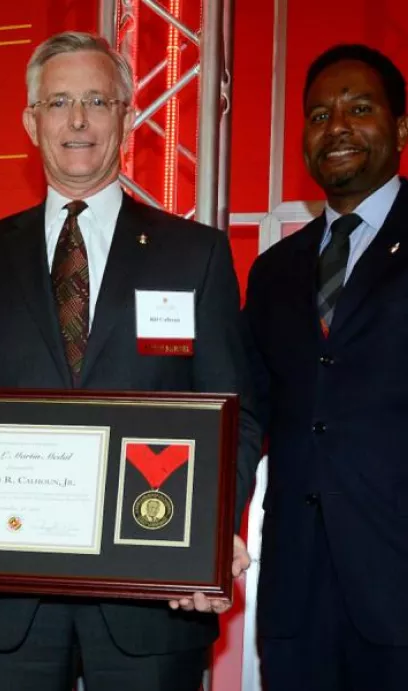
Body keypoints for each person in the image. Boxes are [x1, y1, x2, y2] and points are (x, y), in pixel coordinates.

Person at [0, 31, 261, 690]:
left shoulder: (194, 254)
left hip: (153, 600)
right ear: (31, 121)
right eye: (58, 103)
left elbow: (237, 414)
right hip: (8, 607)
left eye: (96, 102)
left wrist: (211, 534)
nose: (77, 121)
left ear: (127, 115)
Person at [244, 44, 408, 691]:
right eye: (318, 115)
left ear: (400, 128)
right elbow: (248, 412)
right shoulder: (272, 271)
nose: (336, 125)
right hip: (294, 592)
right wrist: (207, 529)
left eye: (359, 108)